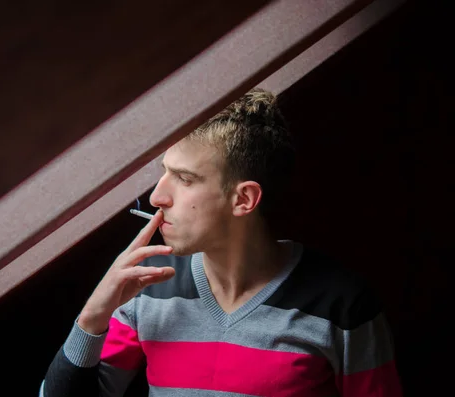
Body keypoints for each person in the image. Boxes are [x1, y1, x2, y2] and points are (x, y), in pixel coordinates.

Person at [39, 88, 403, 396]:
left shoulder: (342, 304)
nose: (156, 197)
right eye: (163, 172)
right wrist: (92, 319)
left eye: (184, 178)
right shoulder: (147, 286)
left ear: (243, 199)